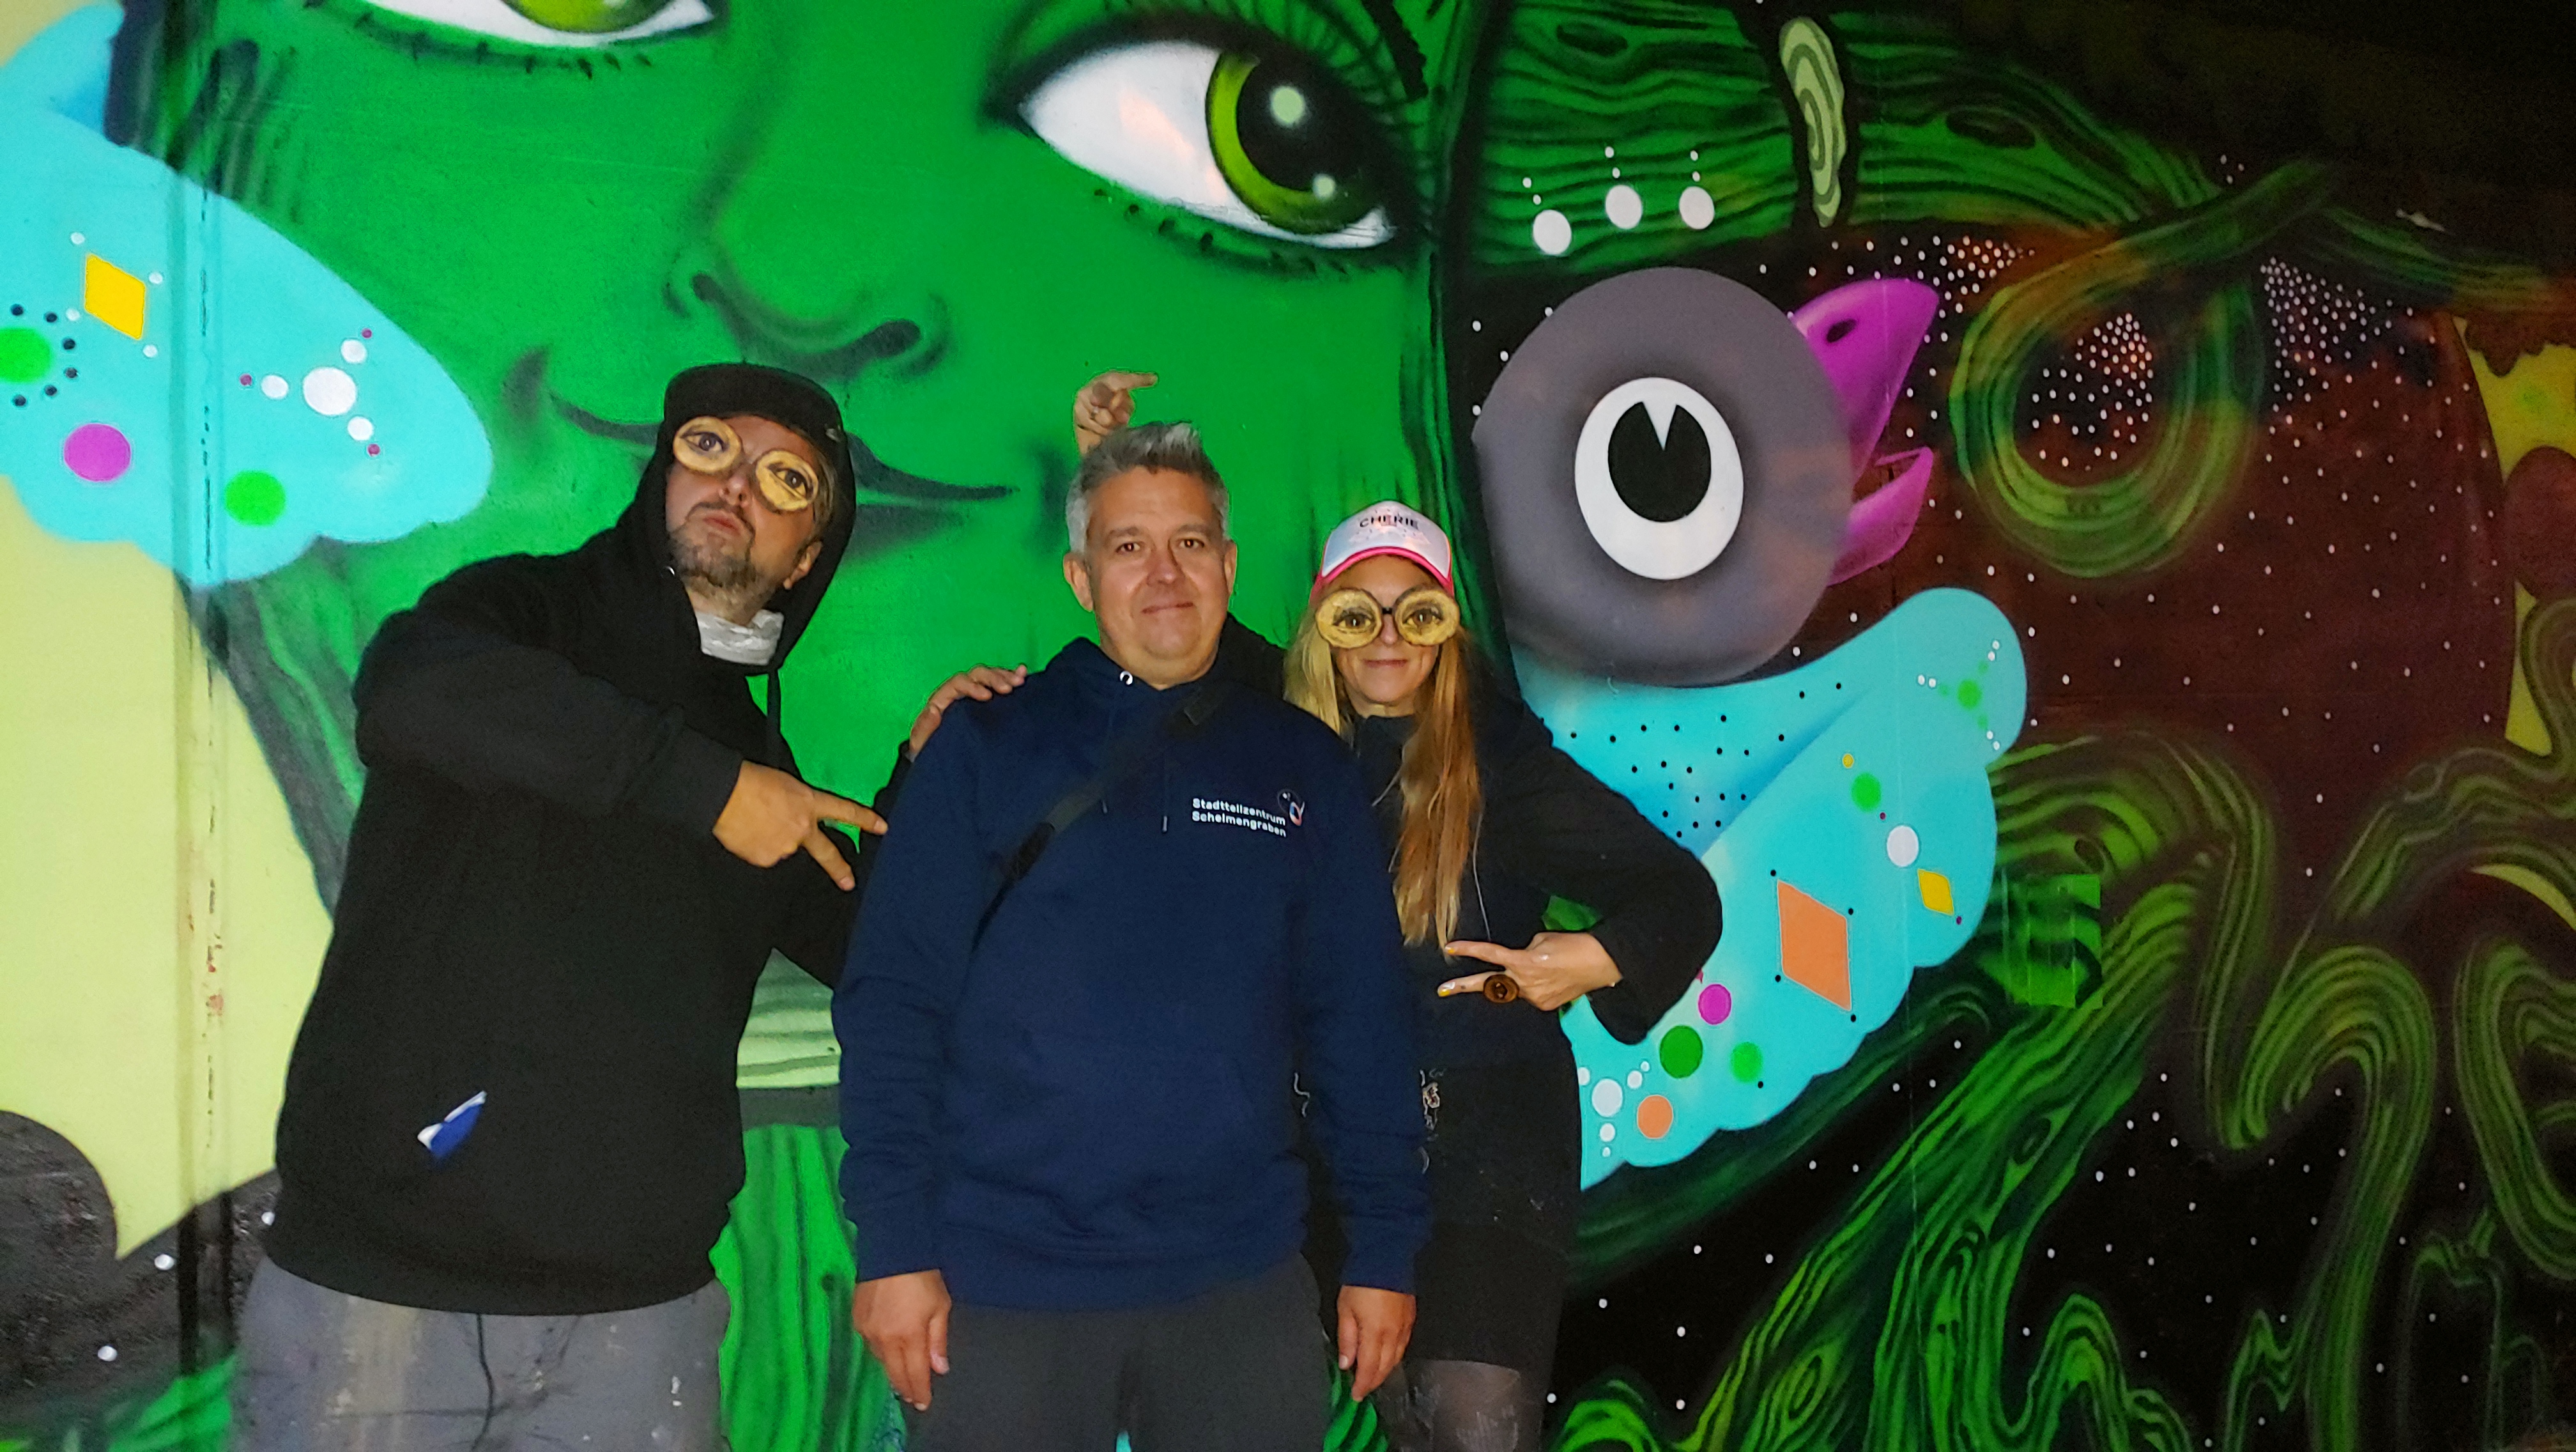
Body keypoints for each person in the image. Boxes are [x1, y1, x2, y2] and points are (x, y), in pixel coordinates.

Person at [234, 364, 884, 1451]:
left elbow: (875, 948)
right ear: (662, 473)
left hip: (637, 1323)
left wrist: (933, 776)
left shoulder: (757, 761)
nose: (736, 484)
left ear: (806, 558)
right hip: (381, 1303)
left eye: (786, 479)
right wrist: (702, 788)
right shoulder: (517, 613)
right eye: (711, 447)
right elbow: (412, 690)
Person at [835, 421, 1429, 1451]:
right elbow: (893, 1000)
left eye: (1190, 542)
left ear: (1229, 567)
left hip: (1238, 1284)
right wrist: (893, 1244)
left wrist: (1382, 1248)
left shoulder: (1303, 765)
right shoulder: (986, 746)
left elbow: (1361, 1021)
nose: (1165, 573)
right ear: (1080, 578)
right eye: (1128, 546)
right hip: (1002, 1284)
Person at [1287, 501, 1722, 1452]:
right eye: (1359, 614)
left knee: (1472, 1424)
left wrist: (1589, 960)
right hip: (1341, 1147)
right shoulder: (1285, 755)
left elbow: (1679, 896)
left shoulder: (1500, 766)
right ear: (1324, 630)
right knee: (1402, 1421)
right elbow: (1168, 631)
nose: (1388, 637)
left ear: (1449, 628)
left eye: (1417, 612)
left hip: (1486, 1148)